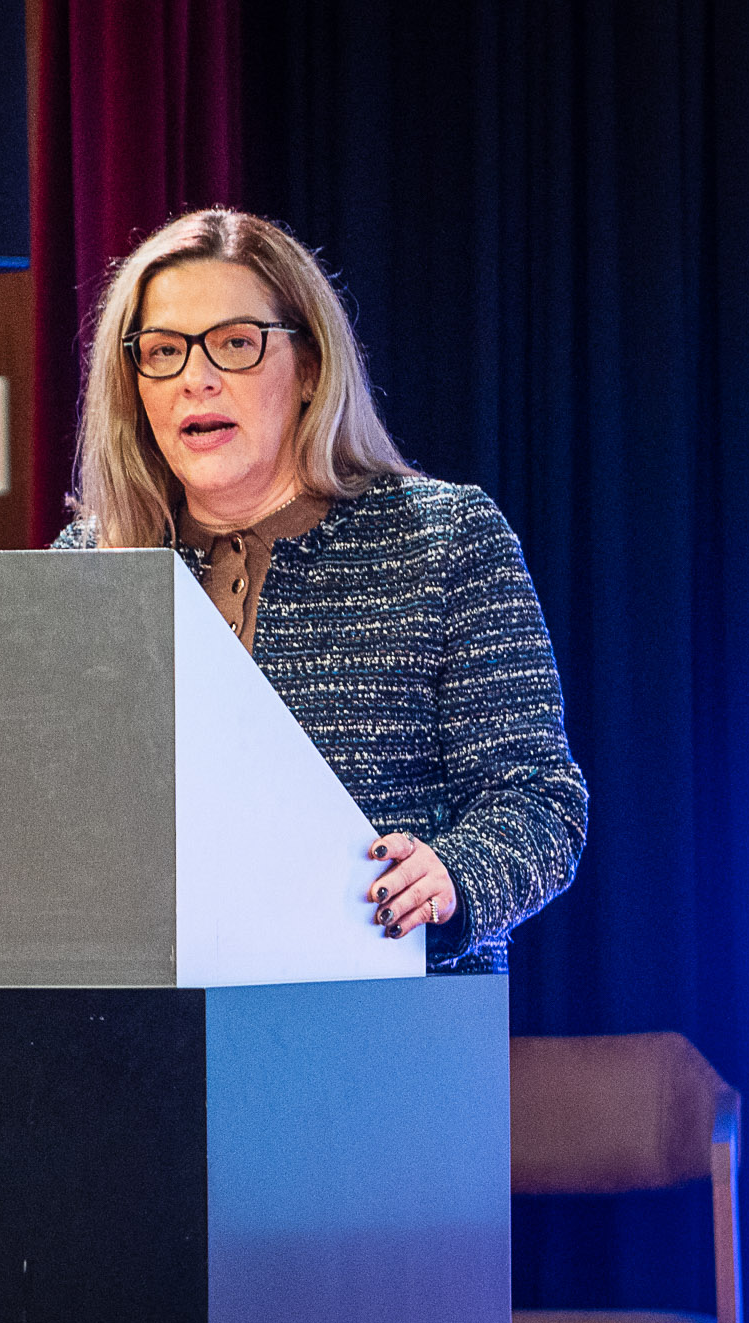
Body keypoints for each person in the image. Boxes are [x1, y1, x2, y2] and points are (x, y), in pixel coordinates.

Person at [55, 209, 586, 972]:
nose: (195, 377)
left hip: (381, 1011)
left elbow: (538, 799)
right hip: (136, 1021)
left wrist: (452, 877)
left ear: (309, 368)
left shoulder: (443, 539)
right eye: (164, 351)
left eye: (235, 343)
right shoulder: (87, 564)